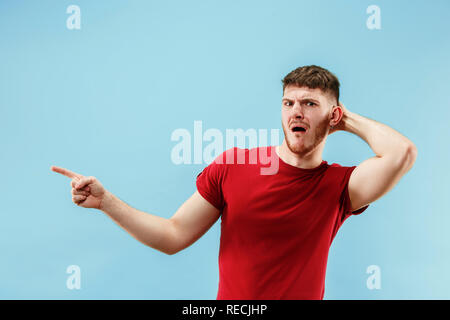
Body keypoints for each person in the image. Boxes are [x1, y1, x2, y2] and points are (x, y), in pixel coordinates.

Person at [51, 65, 417, 299]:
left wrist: (347, 119)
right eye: (288, 103)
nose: (296, 112)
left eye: (308, 104)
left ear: (332, 114)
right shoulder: (235, 165)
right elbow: (173, 235)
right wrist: (107, 202)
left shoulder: (340, 186)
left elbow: (402, 153)